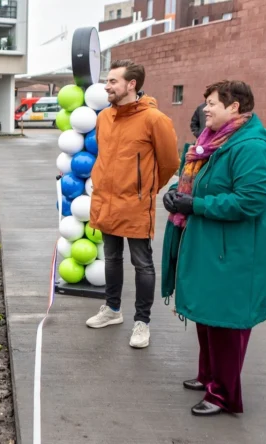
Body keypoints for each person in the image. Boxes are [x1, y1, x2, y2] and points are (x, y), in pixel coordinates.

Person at [162, 80, 266, 416]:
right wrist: (177, 193)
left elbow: (250, 201)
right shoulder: (212, 143)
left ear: (235, 107)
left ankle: (223, 395)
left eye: (212, 103)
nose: (206, 109)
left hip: (235, 255)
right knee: (208, 317)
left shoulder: (251, 148)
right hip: (212, 249)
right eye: (206, 102)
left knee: (226, 324)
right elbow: (198, 180)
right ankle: (208, 375)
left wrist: (194, 204)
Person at [86, 60, 180, 349]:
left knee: (142, 263)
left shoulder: (155, 119)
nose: (107, 86)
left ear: (131, 85)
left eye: (113, 81)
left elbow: (169, 163)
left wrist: (146, 190)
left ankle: (143, 322)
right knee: (112, 258)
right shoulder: (104, 117)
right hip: (107, 201)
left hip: (136, 204)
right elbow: (104, 156)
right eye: (107, 81)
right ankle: (112, 310)